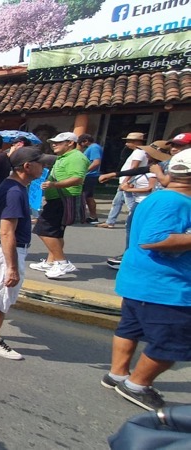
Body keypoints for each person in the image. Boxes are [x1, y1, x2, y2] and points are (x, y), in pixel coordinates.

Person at [100, 149, 191, 411]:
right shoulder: (173, 202)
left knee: (130, 330)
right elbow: (154, 239)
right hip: (164, 287)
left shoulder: (161, 197)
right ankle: (137, 384)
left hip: (142, 282)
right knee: (175, 343)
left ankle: (118, 374)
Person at [0, 147, 55, 360]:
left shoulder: (14, 186)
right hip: (4, 250)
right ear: (27, 166)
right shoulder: (13, 192)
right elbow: (6, 232)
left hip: (0, 248)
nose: (44, 168)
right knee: (2, 298)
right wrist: (12, 267)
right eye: (41, 164)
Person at [30, 132, 90, 279]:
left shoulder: (77, 157)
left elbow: (78, 179)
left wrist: (54, 184)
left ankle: (62, 262)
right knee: (55, 232)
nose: (54, 145)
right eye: (53, 142)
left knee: (43, 230)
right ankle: (51, 262)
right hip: (57, 198)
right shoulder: (65, 157)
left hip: (63, 198)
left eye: (58, 142)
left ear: (70, 143)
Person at [98, 132, 148, 229]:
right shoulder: (138, 151)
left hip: (129, 181)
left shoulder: (139, 152)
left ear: (136, 142)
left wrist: (125, 181)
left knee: (130, 204)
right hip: (126, 181)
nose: (126, 144)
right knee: (117, 202)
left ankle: (135, 222)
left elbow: (133, 168)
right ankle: (110, 222)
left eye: (129, 141)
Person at [78, 134, 103, 224]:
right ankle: (91, 216)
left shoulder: (94, 147)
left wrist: (84, 171)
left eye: (81, 143)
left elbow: (96, 162)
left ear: (86, 141)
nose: (81, 146)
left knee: (86, 196)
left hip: (90, 175)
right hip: (89, 175)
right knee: (88, 197)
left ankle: (91, 216)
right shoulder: (93, 148)